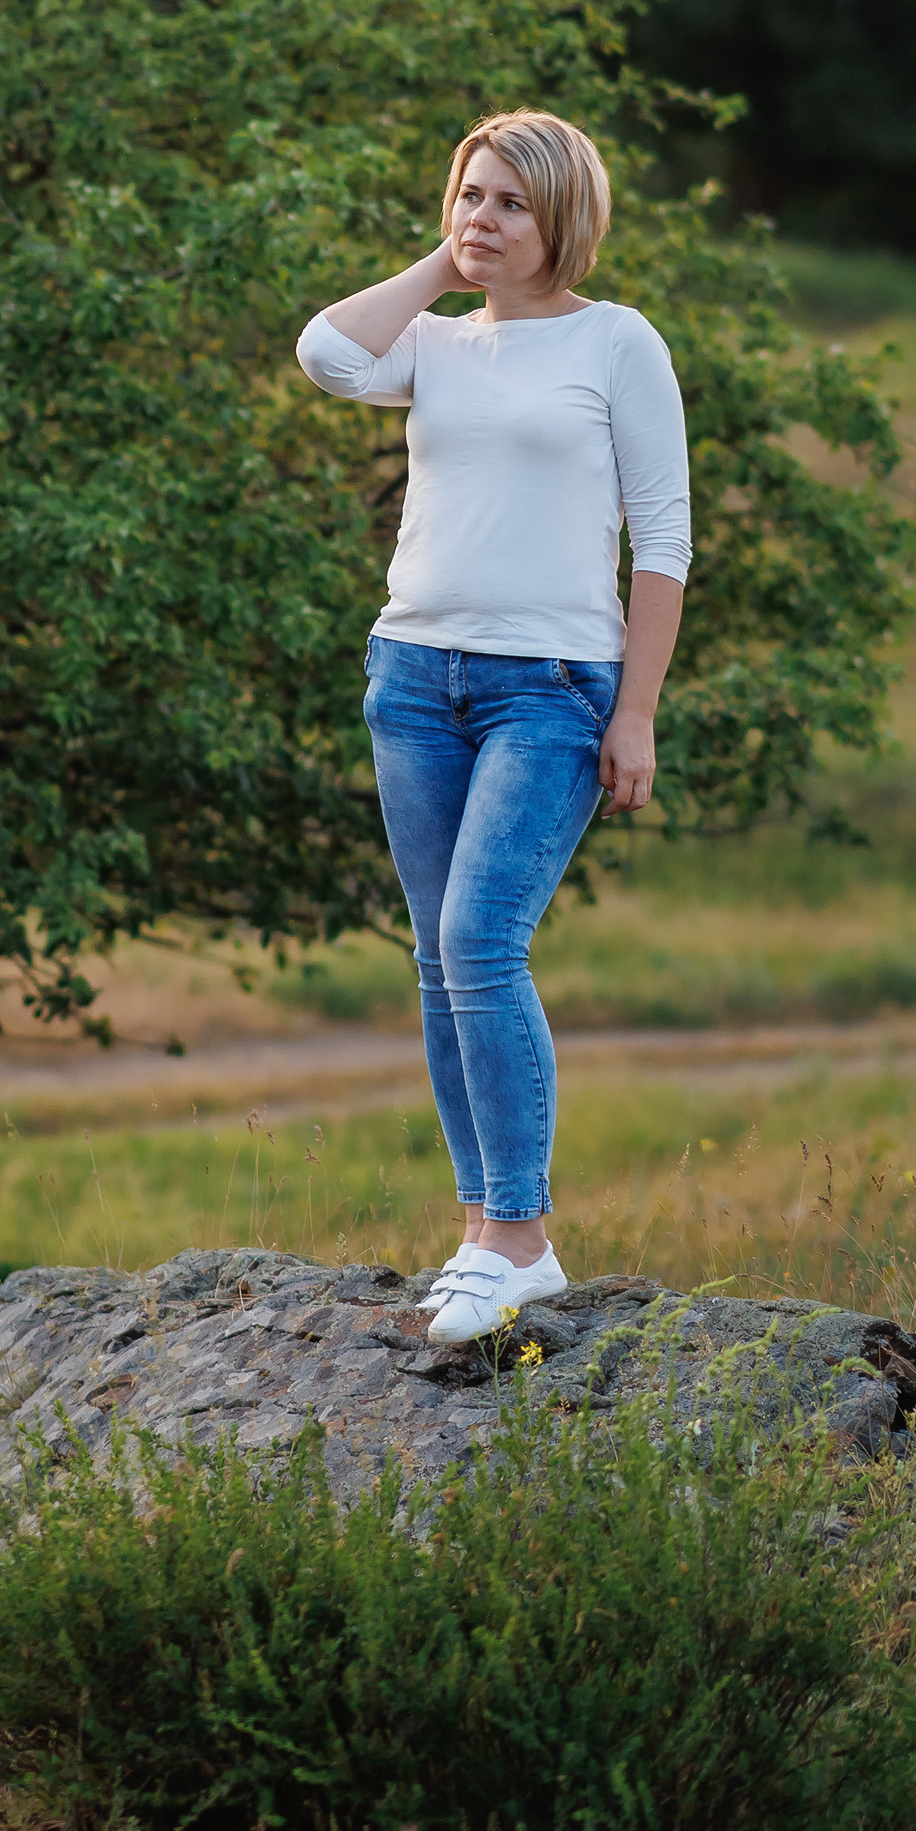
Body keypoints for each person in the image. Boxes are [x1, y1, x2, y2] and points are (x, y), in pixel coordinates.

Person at [297, 112, 691, 1344]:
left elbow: (663, 539)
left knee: (480, 939)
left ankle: (523, 1241)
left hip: (552, 688)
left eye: (511, 203)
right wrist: (447, 263)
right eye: (471, 195)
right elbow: (325, 355)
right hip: (413, 674)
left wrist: (636, 713)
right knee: (438, 956)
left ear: (563, 216)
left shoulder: (618, 343)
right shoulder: (432, 342)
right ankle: (480, 1231)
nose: (484, 218)